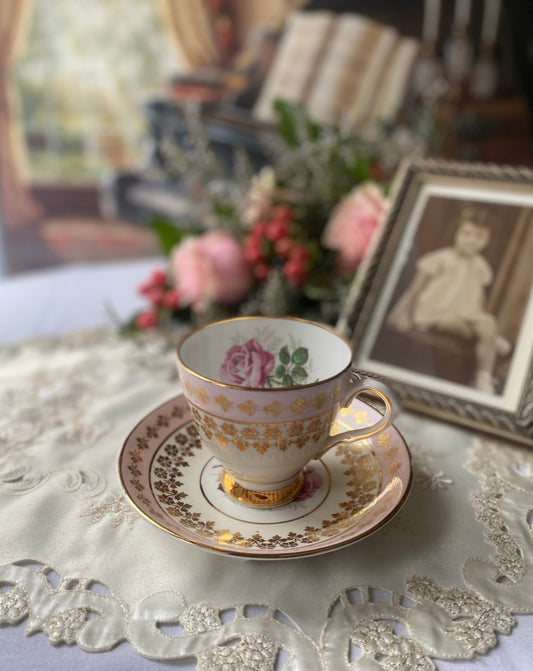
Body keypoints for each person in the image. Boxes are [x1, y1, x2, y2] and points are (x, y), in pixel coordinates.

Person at [387, 207, 511, 393]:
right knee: (459, 327)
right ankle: (490, 340)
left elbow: (478, 296)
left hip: (466, 312)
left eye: (479, 237)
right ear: (456, 233)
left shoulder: (480, 266)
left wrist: (482, 320)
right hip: (436, 312)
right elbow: (416, 288)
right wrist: (403, 311)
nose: (471, 241)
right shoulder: (441, 258)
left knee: (488, 322)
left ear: (487, 241)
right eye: (466, 234)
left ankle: (482, 377)